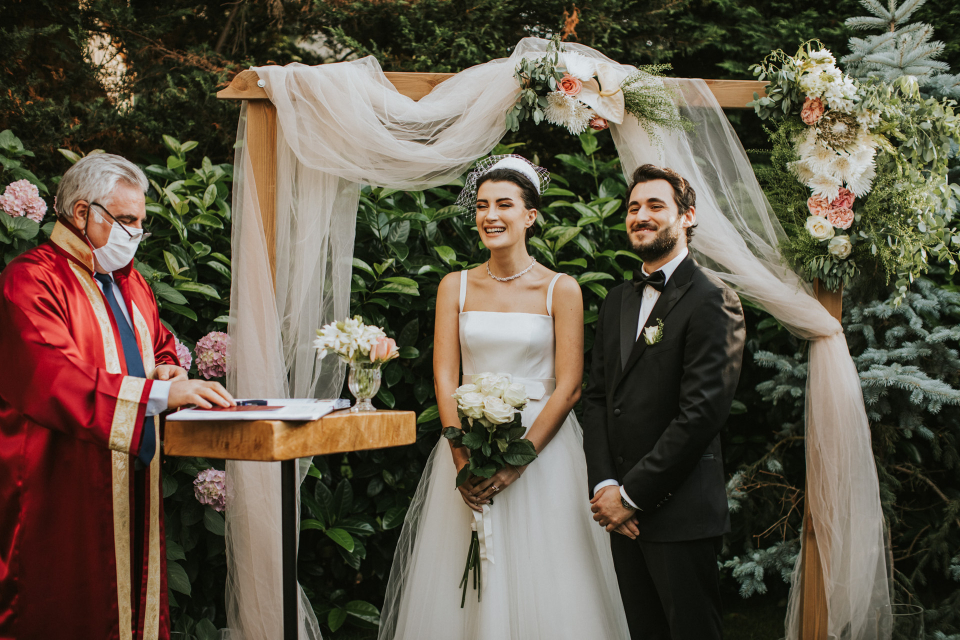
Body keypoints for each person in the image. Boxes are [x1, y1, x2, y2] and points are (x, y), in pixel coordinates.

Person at [378, 155, 630, 640]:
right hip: (468, 444)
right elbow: (445, 373)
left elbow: (570, 385)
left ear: (530, 215)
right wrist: (461, 458)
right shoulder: (456, 285)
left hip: (544, 453)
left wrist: (518, 461)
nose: (490, 216)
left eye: (504, 205)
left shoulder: (563, 289)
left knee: (551, 575)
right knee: (466, 583)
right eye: (481, 206)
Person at [0, 154, 235, 639]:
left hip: (131, 480)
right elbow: (52, 377)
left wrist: (168, 367)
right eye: (126, 220)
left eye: (140, 222)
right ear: (82, 213)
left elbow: (158, 345)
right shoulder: (31, 279)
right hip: (57, 483)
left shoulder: (130, 282)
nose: (135, 233)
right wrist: (158, 393)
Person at [583, 164, 746, 640]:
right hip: (620, 514)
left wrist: (633, 496)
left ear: (687, 216)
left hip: (678, 513)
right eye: (634, 207)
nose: (641, 215)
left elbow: (701, 414)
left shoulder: (714, 300)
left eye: (656, 205)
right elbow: (597, 399)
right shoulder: (616, 300)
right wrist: (605, 487)